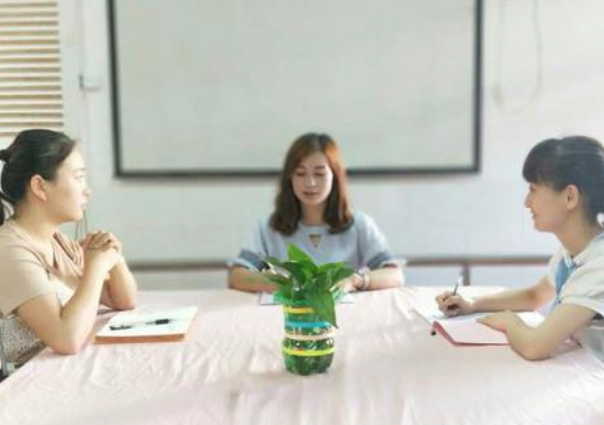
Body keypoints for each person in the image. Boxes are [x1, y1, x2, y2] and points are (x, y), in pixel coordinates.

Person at [436, 136, 604, 361]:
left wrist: (510, 322)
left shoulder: (598, 265)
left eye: (533, 189)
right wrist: (472, 304)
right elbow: (534, 295)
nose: (526, 202)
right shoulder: (574, 251)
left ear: (569, 197)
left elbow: (535, 347)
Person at [0, 129, 137, 367]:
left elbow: (123, 300)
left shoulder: (56, 241)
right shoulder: (10, 250)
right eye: (78, 177)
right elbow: (67, 339)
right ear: (39, 187)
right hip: (24, 384)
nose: (87, 189)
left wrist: (113, 256)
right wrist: (96, 268)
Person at [229, 132, 404, 293]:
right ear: (289, 178)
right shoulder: (268, 227)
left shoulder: (359, 225)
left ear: (335, 176)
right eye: (300, 173)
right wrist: (274, 282)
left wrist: (354, 280)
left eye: (319, 174)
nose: (310, 183)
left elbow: (395, 275)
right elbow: (237, 276)